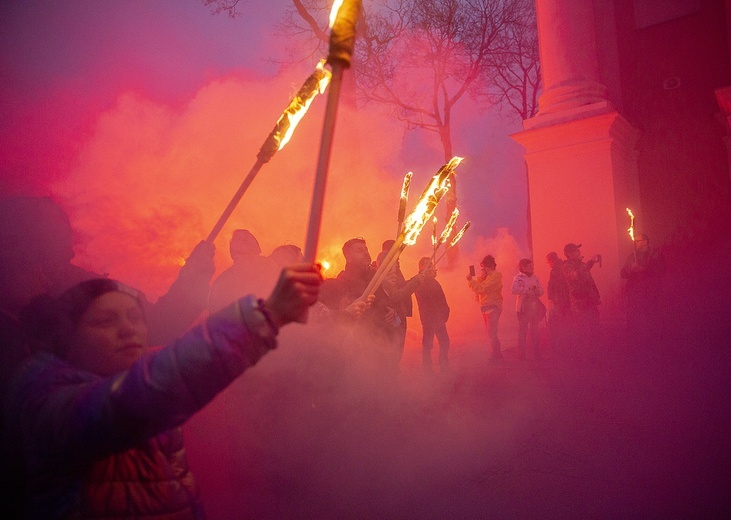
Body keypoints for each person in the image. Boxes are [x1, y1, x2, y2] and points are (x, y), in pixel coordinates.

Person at [4, 265, 322, 519]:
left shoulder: (147, 398)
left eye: (135, 317)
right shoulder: (48, 402)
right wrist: (264, 317)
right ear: (66, 338)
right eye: (103, 321)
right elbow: (138, 399)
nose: (128, 329)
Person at [209, 229, 280, 313]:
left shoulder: (268, 266)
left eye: (247, 237)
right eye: (239, 238)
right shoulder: (224, 279)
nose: (244, 240)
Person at [620, 233, 666, 346]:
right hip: (634, 294)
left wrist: (642, 270)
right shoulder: (632, 256)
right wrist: (631, 270)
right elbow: (623, 273)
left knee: (651, 320)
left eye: (638, 241)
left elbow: (660, 271)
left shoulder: (655, 254)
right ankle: (634, 344)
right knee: (633, 320)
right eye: (635, 241)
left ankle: (653, 344)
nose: (635, 243)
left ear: (645, 242)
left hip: (650, 293)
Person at [414, 257, 450, 373]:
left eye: (431, 265)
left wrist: (445, 311)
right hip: (429, 317)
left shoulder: (431, 280)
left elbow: (440, 297)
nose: (431, 267)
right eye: (428, 265)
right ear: (421, 267)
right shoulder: (419, 280)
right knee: (428, 345)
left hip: (438, 317)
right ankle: (428, 370)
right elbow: (426, 295)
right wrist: (430, 279)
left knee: (445, 342)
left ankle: (444, 365)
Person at [563, 243, 601, 351]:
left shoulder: (581, 264)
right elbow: (575, 275)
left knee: (595, 328)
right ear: (569, 254)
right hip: (579, 303)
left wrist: (596, 296)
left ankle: (595, 354)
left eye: (578, 251)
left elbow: (590, 282)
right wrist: (591, 262)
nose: (579, 252)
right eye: (576, 251)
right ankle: (581, 358)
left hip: (590, 301)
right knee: (582, 330)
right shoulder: (567, 266)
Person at [467, 255, 503, 360]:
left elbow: (482, 289)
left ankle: (496, 355)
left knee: (492, 332)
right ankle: (496, 354)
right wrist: (480, 278)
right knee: (490, 332)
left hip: (493, 306)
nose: (483, 270)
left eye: (484, 267)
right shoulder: (487, 277)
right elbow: (479, 288)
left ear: (490, 266)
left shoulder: (495, 276)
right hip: (486, 306)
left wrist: (470, 281)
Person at [511, 258, 545, 360]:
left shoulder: (535, 278)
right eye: (530, 266)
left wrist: (537, 291)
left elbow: (542, 290)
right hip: (522, 309)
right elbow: (514, 289)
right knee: (523, 331)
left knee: (535, 330)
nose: (532, 268)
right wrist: (527, 291)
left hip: (534, 308)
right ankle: (522, 354)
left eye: (532, 266)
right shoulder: (518, 278)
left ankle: (536, 354)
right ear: (524, 267)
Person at [545, 252, 571, 351]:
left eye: (548, 262)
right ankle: (566, 347)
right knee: (566, 324)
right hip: (566, 301)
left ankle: (559, 348)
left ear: (552, 260)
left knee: (557, 325)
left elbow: (553, 286)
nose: (549, 264)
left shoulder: (555, 270)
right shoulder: (563, 266)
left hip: (559, 302)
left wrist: (551, 299)